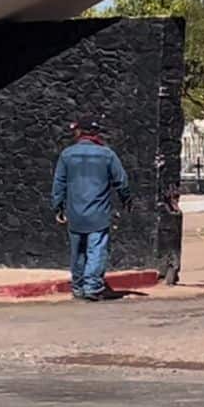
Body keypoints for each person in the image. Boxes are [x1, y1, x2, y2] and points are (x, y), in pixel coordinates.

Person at [51, 116, 131, 301]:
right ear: (95, 133)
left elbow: (59, 183)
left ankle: (78, 287)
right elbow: (121, 181)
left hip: (75, 213)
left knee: (78, 251)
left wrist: (58, 207)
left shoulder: (67, 154)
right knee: (96, 250)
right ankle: (92, 287)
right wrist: (126, 200)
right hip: (99, 213)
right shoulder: (107, 155)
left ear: (79, 132)